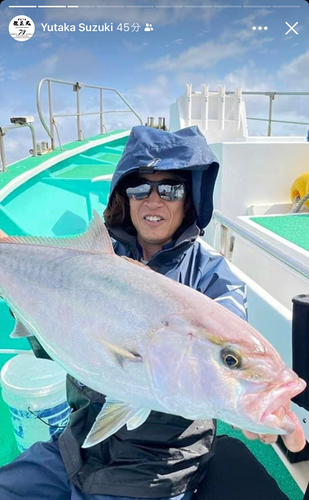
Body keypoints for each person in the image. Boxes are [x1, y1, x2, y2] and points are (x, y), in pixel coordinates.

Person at [0, 126, 298, 500]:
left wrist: (247, 402)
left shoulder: (212, 277)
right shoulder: (95, 259)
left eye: (170, 189)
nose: (153, 201)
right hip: (76, 443)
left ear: (188, 199)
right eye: (140, 188)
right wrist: (18, 286)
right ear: (125, 197)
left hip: (159, 464)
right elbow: (50, 349)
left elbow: (220, 351)